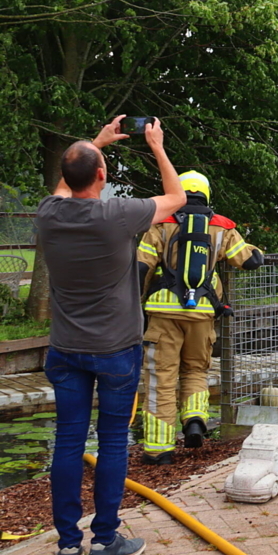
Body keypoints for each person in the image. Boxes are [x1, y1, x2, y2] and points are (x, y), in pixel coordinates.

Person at [36, 115, 185, 555]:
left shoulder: (48, 214)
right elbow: (177, 198)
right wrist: (156, 146)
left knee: (68, 442)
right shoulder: (118, 215)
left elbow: (65, 187)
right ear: (102, 176)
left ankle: (68, 544)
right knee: (113, 441)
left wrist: (96, 143)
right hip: (116, 351)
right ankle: (105, 540)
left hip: (65, 350)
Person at [136, 171, 263, 465]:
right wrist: (257, 250)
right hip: (203, 312)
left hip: (163, 314)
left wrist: (138, 304)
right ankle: (194, 419)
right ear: (206, 194)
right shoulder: (221, 226)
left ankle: (158, 450)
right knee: (195, 370)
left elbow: (141, 268)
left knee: (161, 379)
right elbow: (248, 260)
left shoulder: (160, 223)